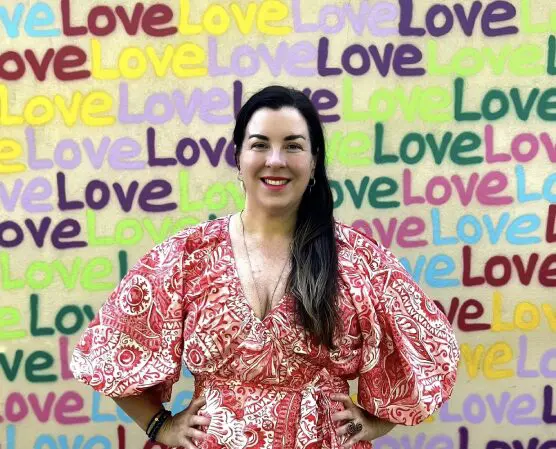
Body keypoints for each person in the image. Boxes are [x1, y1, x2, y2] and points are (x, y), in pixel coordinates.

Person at [71, 85, 460, 449]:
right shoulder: (187, 255)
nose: (276, 160)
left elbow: (429, 353)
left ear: (314, 160)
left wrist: (375, 422)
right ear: (239, 157)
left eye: (293, 146)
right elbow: (109, 348)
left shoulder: (357, 260)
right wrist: (159, 424)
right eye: (260, 145)